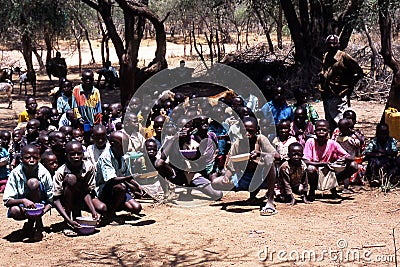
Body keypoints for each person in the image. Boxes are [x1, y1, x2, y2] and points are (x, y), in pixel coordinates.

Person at [212, 117, 279, 216]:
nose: (247, 134)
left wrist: (259, 153)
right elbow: (231, 165)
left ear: (257, 130)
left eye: (250, 131)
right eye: (244, 131)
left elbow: (277, 156)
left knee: (269, 160)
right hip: (246, 177)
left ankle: (270, 200)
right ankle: (252, 197)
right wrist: (226, 177)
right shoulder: (238, 144)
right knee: (216, 183)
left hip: (262, 177)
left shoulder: (261, 139)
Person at [3, 145, 53, 241]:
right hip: (24, 206)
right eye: (27, 157)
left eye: (35, 157)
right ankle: (31, 223)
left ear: (39, 158)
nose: (31, 160)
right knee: (14, 211)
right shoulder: (15, 173)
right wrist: (23, 200)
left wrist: (40, 212)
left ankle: (38, 226)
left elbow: (50, 200)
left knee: (32, 183)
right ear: (21, 159)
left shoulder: (44, 173)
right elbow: (7, 201)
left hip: (40, 205)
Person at [53, 141, 106, 230]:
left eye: (79, 153)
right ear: (67, 155)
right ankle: (68, 219)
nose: (76, 157)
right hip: (65, 200)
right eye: (72, 154)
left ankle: (78, 214)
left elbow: (87, 191)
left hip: (81, 197)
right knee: (71, 178)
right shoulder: (60, 172)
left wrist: (93, 212)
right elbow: (56, 200)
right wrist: (68, 220)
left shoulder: (89, 167)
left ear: (83, 154)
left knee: (102, 208)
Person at [319, 34, 363, 132]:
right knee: (330, 121)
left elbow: (359, 72)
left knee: (341, 122)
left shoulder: (344, 57)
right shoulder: (326, 56)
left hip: (340, 95)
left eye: (334, 43)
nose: (332, 46)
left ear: (338, 44)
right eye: (329, 43)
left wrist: (350, 86)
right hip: (327, 94)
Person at [304, 120, 358, 200]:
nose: (321, 132)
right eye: (319, 130)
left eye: (324, 130)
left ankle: (333, 187)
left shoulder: (332, 143)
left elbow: (349, 157)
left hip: (330, 172)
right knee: (310, 169)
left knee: (353, 165)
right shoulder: (310, 142)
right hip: (315, 172)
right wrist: (322, 164)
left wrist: (344, 159)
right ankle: (312, 190)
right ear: (315, 132)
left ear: (328, 131)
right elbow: (305, 161)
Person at [96, 131, 142, 217]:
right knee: (121, 187)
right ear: (113, 144)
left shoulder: (123, 156)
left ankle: (117, 204)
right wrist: (131, 177)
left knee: (136, 208)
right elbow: (111, 180)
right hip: (104, 190)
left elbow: (127, 176)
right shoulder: (105, 157)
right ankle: (110, 214)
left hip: (118, 189)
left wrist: (138, 186)